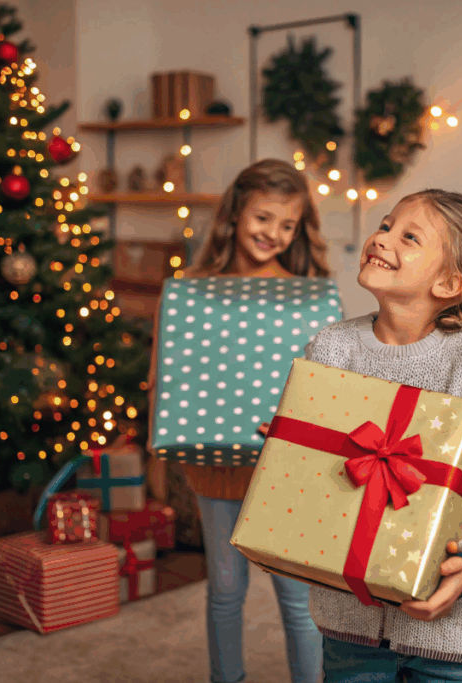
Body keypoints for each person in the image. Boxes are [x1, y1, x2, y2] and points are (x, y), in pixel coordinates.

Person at [300, 189, 462, 683]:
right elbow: (314, 479)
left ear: (449, 281)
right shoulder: (331, 348)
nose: (382, 238)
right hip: (347, 627)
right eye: (386, 224)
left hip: (450, 635)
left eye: (408, 236)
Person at [148, 159, 329, 683]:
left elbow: (324, 385)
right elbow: (168, 376)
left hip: (287, 468)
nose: (273, 233)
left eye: (287, 224)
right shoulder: (193, 292)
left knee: (297, 599)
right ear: (234, 214)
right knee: (225, 590)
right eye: (263, 218)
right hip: (216, 467)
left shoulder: (307, 295)